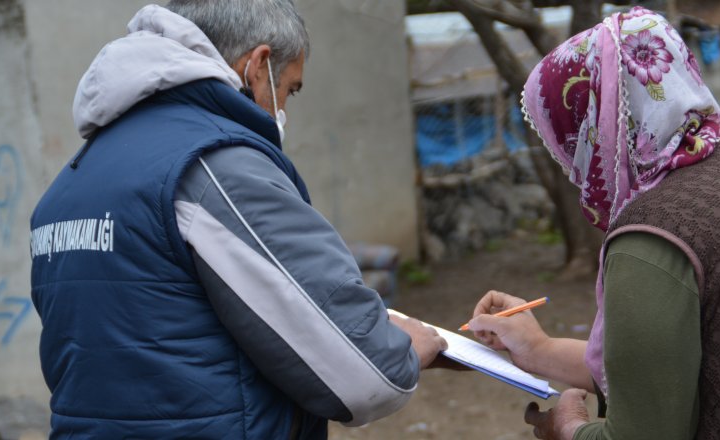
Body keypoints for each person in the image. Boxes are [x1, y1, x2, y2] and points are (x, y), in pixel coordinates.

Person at [29, 2, 446, 438]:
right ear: (259, 65)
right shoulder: (214, 167)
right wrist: (404, 351)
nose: (285, 108)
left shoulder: (68, 186)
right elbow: (366, 376)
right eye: (290, 90)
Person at [468, 7, 720, 440]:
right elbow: (673, 371)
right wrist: (538, 349)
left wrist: (570, 428)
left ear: (592, 129)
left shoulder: (654, 233)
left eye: (564, 141)